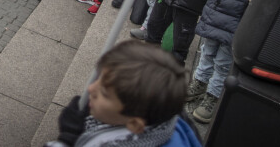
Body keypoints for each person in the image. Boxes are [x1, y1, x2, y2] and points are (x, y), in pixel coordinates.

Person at [47, 41, 200, 147]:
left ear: (134, 124)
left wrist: (67, 139)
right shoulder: (162, 114)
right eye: (99, 79)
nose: (91, 89)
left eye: (105, 94)